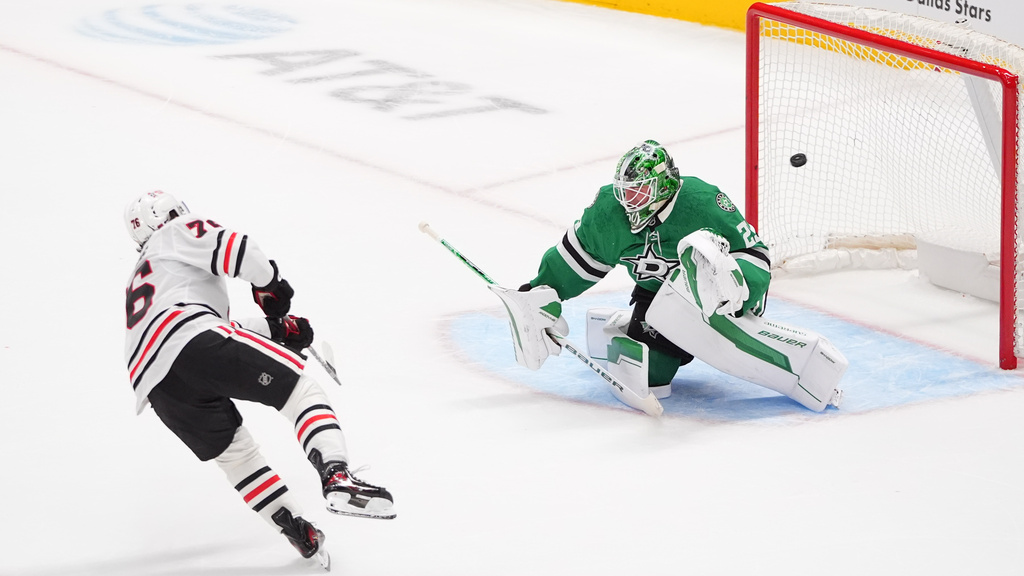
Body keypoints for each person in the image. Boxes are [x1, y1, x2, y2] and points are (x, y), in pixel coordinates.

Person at [123, 190, 395, 566]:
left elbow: (214, 329)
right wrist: (271, 286)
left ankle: (297, 529)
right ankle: (337, 476)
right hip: (188, 339)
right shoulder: (174, 232)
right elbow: (238, 249)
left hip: (155, 384)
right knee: (300, 390)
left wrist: (277, 329)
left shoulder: (149, 272)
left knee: (237, 457)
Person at [491, 140, 844, 411]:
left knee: (716, 297)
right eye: (625, 191)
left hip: (716, 295)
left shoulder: (702, 201)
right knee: (652, 377)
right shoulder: (608, 211)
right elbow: (576, 261)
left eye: (639, 191)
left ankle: (720, 311)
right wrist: (539, 296)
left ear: (662, 187)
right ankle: (624, 327)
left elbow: (756, 256)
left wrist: (739, 288)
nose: (629, 200)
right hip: (657, 297)